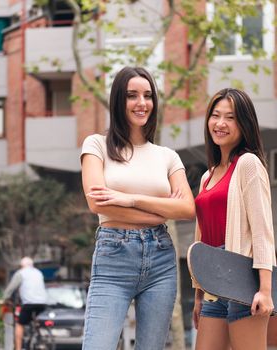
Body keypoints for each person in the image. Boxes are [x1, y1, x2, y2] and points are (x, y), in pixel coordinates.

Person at [81, 66, 195, 350]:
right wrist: (162, 211)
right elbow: (97, 203)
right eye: (132, 96)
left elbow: (187, 209)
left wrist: (130, 200)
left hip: (160, 259)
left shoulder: (166, 156)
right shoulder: (96, 145)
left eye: (148, 95)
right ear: (118, 101)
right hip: (113, 256)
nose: (141, 103)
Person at [191, 88, 277, 350]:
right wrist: (197, 294)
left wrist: (265, 289)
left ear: (244, 124)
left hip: (242, 274)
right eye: (215, 116)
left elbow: (262, 230)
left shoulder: (248, 164)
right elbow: (202, 238)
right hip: (212, 280)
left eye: (230, 117)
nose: (220, 123)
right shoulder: (207, 176)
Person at [2, 257, 48, 350]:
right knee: (33, 319)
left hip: (29, 303)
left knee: (20, 324)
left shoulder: (21, 273)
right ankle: (36, 332)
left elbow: (11, 288)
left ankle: (18, 348)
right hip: (43, 303)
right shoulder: (39, 272)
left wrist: (4, 299)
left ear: (22, 265)